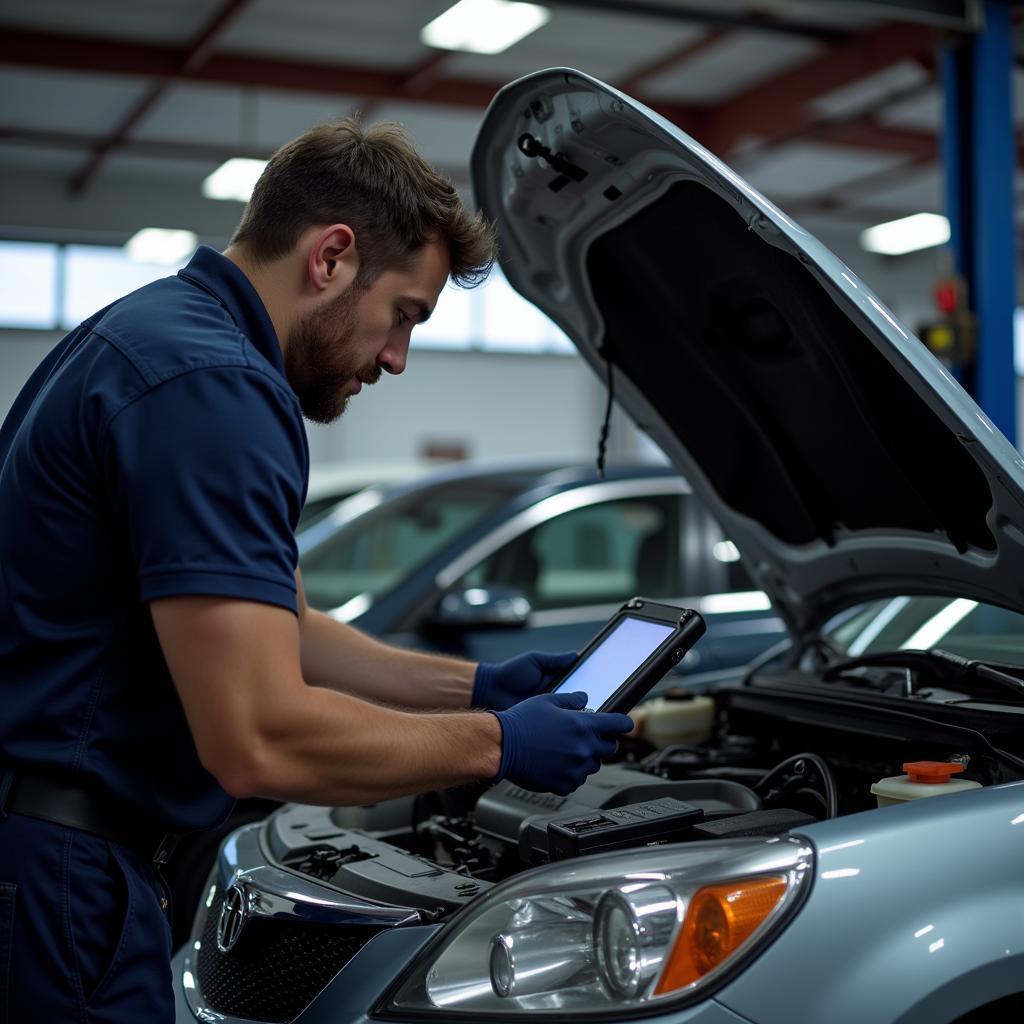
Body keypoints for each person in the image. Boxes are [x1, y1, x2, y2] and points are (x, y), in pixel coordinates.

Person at [0, 119, 633, 1023]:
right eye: (405, 315)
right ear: (332, 257)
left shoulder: (157, 336)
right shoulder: (213, 385)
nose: (396, 357)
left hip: (58, 857)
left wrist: (475, 687)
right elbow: (258, 737)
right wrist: (499, 743)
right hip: (67, 873)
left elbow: (284, 632)